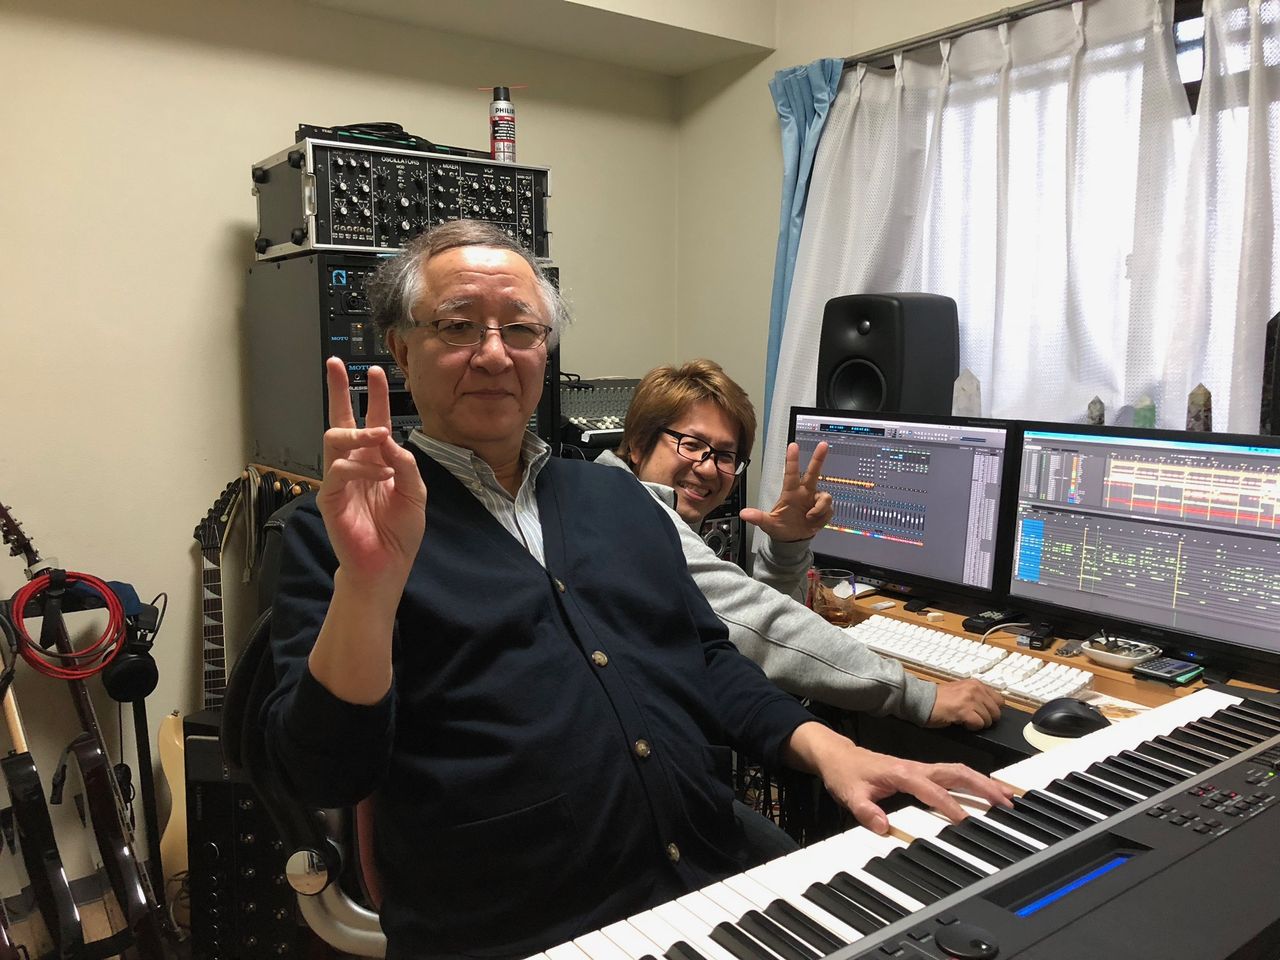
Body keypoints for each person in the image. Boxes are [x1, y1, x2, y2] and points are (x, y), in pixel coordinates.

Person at [262, 221, 1013, 960]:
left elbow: (708, 658)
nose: (494, 353)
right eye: (458, 326)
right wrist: (368, 588)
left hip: (707, 877)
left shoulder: (618, 498)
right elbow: (327, 772)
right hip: (520, 928)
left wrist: (832, 748)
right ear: (400, 348)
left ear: (544, 350)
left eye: (520, 329)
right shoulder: (333, 533)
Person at [598, 359, 1004, 731]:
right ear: (637, 443)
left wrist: (787, 546)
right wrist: (920, 696)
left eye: (725, 455)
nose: (708, 468)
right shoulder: (626, 514)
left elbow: (739, 637)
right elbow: (762, 626)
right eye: (691, 444)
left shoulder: (615, 498)